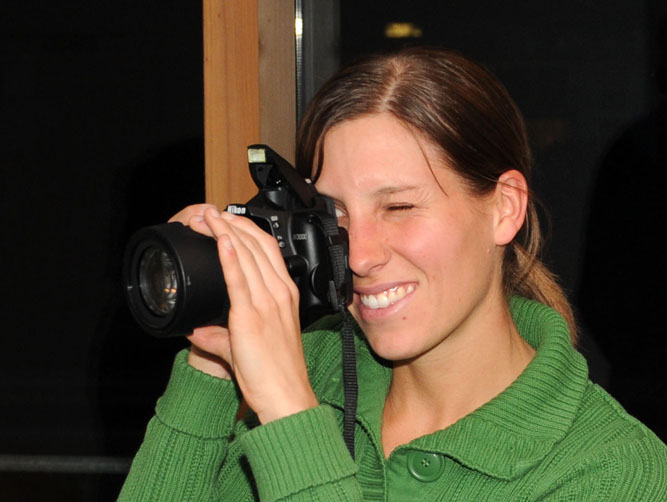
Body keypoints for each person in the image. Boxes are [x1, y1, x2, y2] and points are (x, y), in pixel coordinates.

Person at [118, 47, 666, 501]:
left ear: (505, 208)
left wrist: (289, 414)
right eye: (335, 214)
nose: (358, 256)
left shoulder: (612, 471)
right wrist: (212, 366)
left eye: (399, 207)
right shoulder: (312, 370)